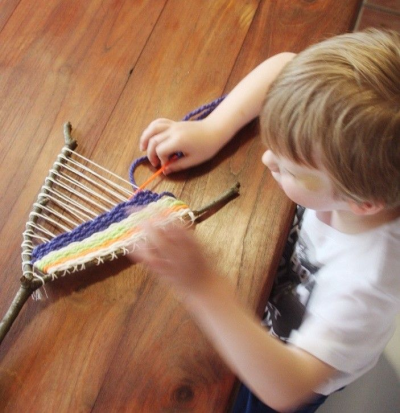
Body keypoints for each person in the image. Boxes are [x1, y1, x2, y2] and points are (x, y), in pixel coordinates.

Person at [133, 29, 400, 412]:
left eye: (290, 169)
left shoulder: (365, 285)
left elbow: (287, 389)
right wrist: (213, 129)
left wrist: (203, 285)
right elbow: (283, 65)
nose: (267, 161)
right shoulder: (358, 176)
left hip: (291, 364)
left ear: (362, 203)